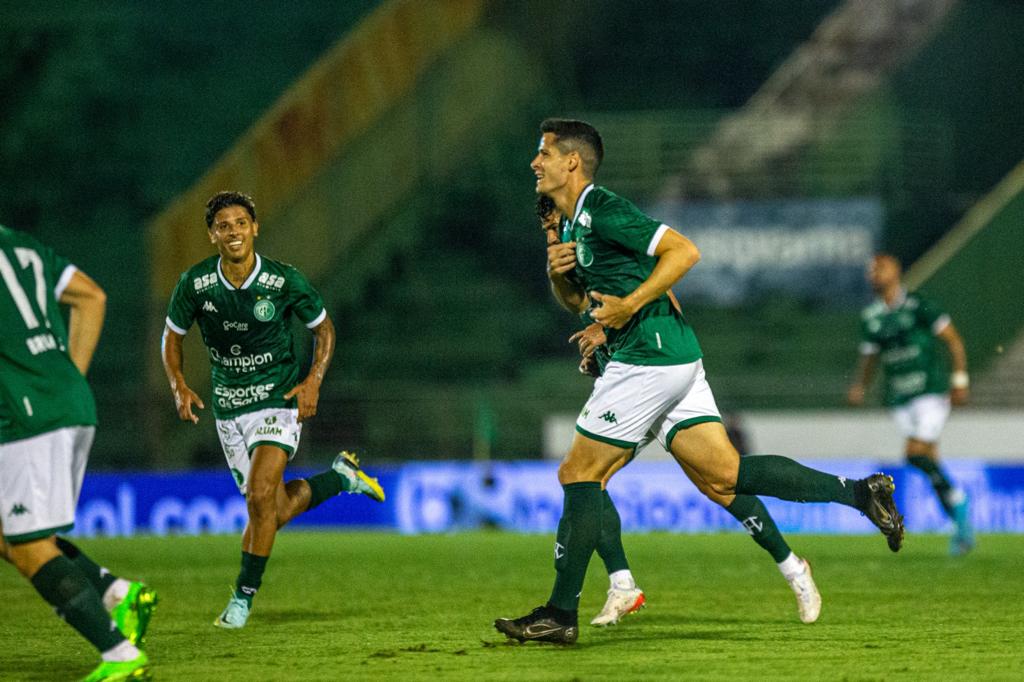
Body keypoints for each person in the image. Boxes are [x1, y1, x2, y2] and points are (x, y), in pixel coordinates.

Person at [494, 119, 903, 645]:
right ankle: (859, 493)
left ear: (571, 161)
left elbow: (684, 252)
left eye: (544, 152)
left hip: (649, 360)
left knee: (579, 472)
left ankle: (561, 612)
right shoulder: (573, 226)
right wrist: (569, 287)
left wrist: (628, 308)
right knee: (725, 476)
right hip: (670, 357)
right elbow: (581, 303)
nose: (535, 162)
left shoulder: (605, 208)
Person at [539, 196, 821, 628]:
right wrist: (556, 255)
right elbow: (578, 302)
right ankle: (621, 584)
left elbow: (665, 296)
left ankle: (793, 568)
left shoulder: (609, 229)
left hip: (656, 371)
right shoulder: (575, 240)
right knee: (588, 478)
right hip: (628, 373)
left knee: (718, 485)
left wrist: (615, 322)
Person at [161, 191, 385, 630]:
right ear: (212, 235)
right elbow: (172, 336)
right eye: (224, 226)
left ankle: (241, 600)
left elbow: (324, 330)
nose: (234, 232)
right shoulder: (195, 284)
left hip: (277, 401)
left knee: (261, 495)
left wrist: (313, 380)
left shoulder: (285, 281)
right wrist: (178, 384)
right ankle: (339, 478)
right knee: (270, 510)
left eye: (241, 223)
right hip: (229, 410)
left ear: (255, 228)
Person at [1, 224, 154, 680]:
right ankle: (114, 592)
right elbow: (92, 297)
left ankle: (119, 653)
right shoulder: (22, 245)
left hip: (27, 413)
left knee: (28, 548)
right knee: (8, 531)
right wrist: (68, 377)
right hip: (65, 399)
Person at [847, 252, 974, 556]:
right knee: (930, 462)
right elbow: (870, 357)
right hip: (900, 397)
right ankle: (961, 528)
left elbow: (953, 340)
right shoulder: (871, 317)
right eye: (873, 270)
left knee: (913, 452)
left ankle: (959, 501)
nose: (876, 273)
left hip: (930, 391)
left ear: (897, 270)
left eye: (882, 267)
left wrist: (960, 380)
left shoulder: (919, 306)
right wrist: (859, 386)